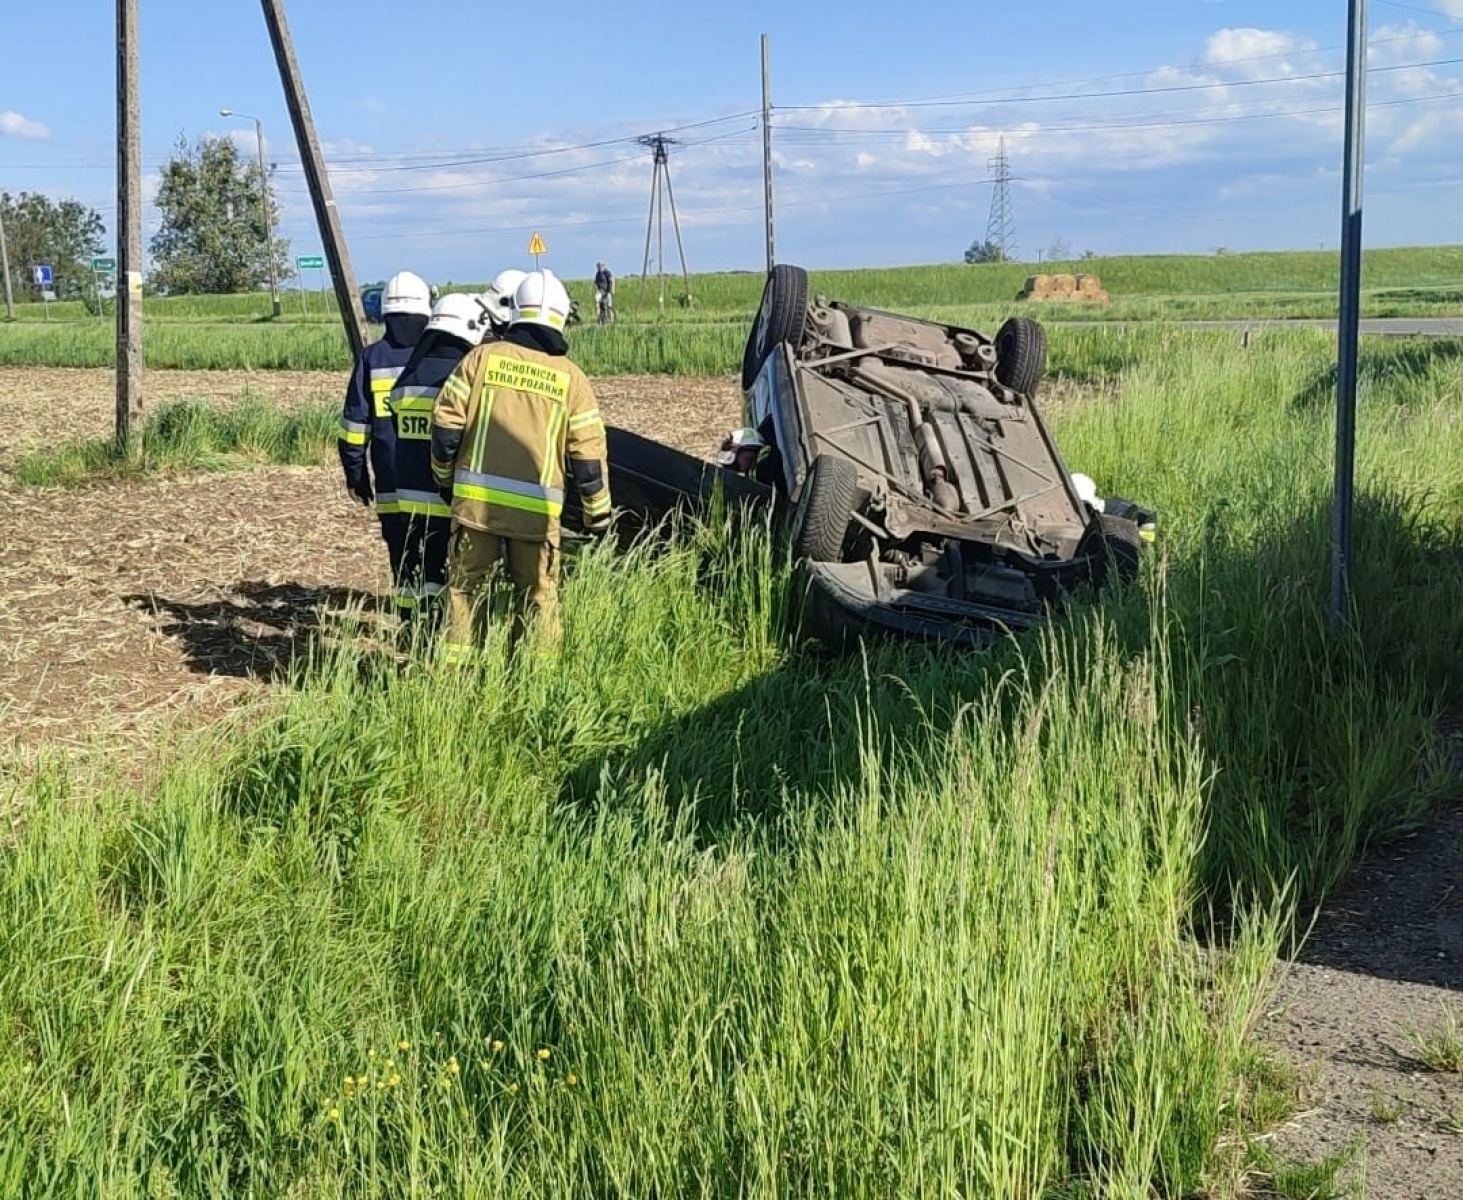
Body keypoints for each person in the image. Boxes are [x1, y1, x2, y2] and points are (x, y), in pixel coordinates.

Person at [431, 268, 612, 658]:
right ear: (562, 317)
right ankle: (537, 683)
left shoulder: (479, 360)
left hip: (475, 509)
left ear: (515, 311)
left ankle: (455, 684)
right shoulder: (572, 379)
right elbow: (589, 459)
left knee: (465, 594)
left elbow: (445, 429)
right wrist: (598, 517)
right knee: (540, 599)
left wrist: (446, 482)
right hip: (537, 518)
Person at [382, 291, 496, 629]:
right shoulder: (463, 377)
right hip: (447, 494)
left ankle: (413, 627)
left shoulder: (407, 380)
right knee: (447, 569)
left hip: (407, 495)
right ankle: (444, 628)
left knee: (415, 566)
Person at [338, 270, 432, 619]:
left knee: (403, 556)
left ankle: (409, 624)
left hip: (392, 482)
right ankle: (436, 622)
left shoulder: (371, 359)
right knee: (438, 555)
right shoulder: (442, 357)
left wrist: (356, 475)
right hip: (437, 482)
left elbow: (353, 428)